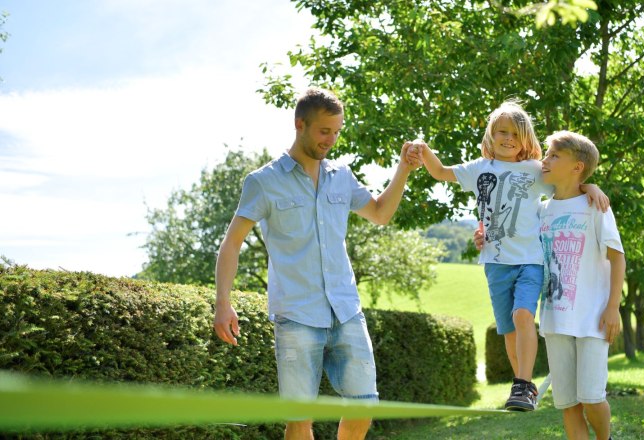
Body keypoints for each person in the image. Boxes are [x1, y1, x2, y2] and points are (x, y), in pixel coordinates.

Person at [213, 87, 419, 440]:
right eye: (325, 131)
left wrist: (403, 168)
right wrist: (223, 303)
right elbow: (231, 244)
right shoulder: (263, 182)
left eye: (337, 132)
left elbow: (381, 213)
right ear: (300, 124)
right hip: (296, 315)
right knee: (299, 419)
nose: (331, 140)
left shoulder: (342, 176)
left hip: (346, 310)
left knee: (364, 404)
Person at [406, 101, 608, 412]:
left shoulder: (533, 170)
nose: (508, 138)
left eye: (515, 133)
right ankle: (521, 384)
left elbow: (566, 182)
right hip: (494, 263)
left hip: (530, 260)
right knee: (509, 330)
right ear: (491, 135)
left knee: (523, 316)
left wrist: (590, 185)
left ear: (526, 139)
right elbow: (440, 172)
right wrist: (423, 148)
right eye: (501, 131)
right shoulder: (478, 169)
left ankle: (524, 385)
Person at [534, 130, 624, 440]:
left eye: (553, 155)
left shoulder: (595, 206)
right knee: (568, 404)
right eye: (546, 154)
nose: (544, 160)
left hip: (592, 318)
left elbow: (618, 257)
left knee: (591, 396)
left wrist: (613, 307)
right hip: (555, 319)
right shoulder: (541, 210)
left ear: (577, 167)